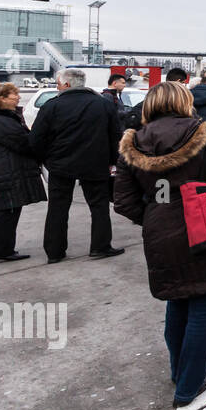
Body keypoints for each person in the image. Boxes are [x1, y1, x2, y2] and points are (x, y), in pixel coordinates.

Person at [113, 81, 206, 407]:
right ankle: (189, 386)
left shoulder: (133, 141)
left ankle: (180, 373)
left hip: (160, 229)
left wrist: (154, 215)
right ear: (184, 102)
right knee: (204, 303)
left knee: (176, 301)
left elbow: (123, 200)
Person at [30, 67, 123, 263]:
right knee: (99, 207)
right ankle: (100, 246)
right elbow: (115, 136)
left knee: (57, 209)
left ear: (66, 84)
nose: (57, 87)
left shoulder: (52, 106)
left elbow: (37, 139)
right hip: (95, 164)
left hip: (60, 165)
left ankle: (54, 252)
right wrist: (112, 162)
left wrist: (47, 160)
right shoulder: (102, 104)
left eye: (58, 83)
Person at [0, 83, 46, 264]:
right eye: (15, 95)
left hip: (0, 170)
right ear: (2, 99)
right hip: (7, 171)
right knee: (9, 210)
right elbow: (25, 144)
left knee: (0, 209)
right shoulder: (1, 121)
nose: (18, 97)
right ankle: (3, 251)